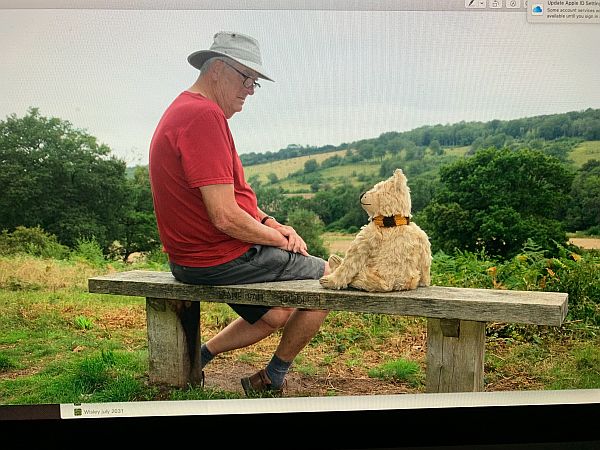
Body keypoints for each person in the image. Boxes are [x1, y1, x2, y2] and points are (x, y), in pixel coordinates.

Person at [148, 31, 331, 396]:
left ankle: (199, 357)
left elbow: (234, 198)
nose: (250, 88)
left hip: (188, 259)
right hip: (214, 257)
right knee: (326, 279)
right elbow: (225, 217)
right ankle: (273, 378)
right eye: (246, 77)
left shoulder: (188, 110)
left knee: (274, 314)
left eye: (255, 83)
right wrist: (281, 241)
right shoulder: (203, 116)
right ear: (216, 70)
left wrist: (270, 223)